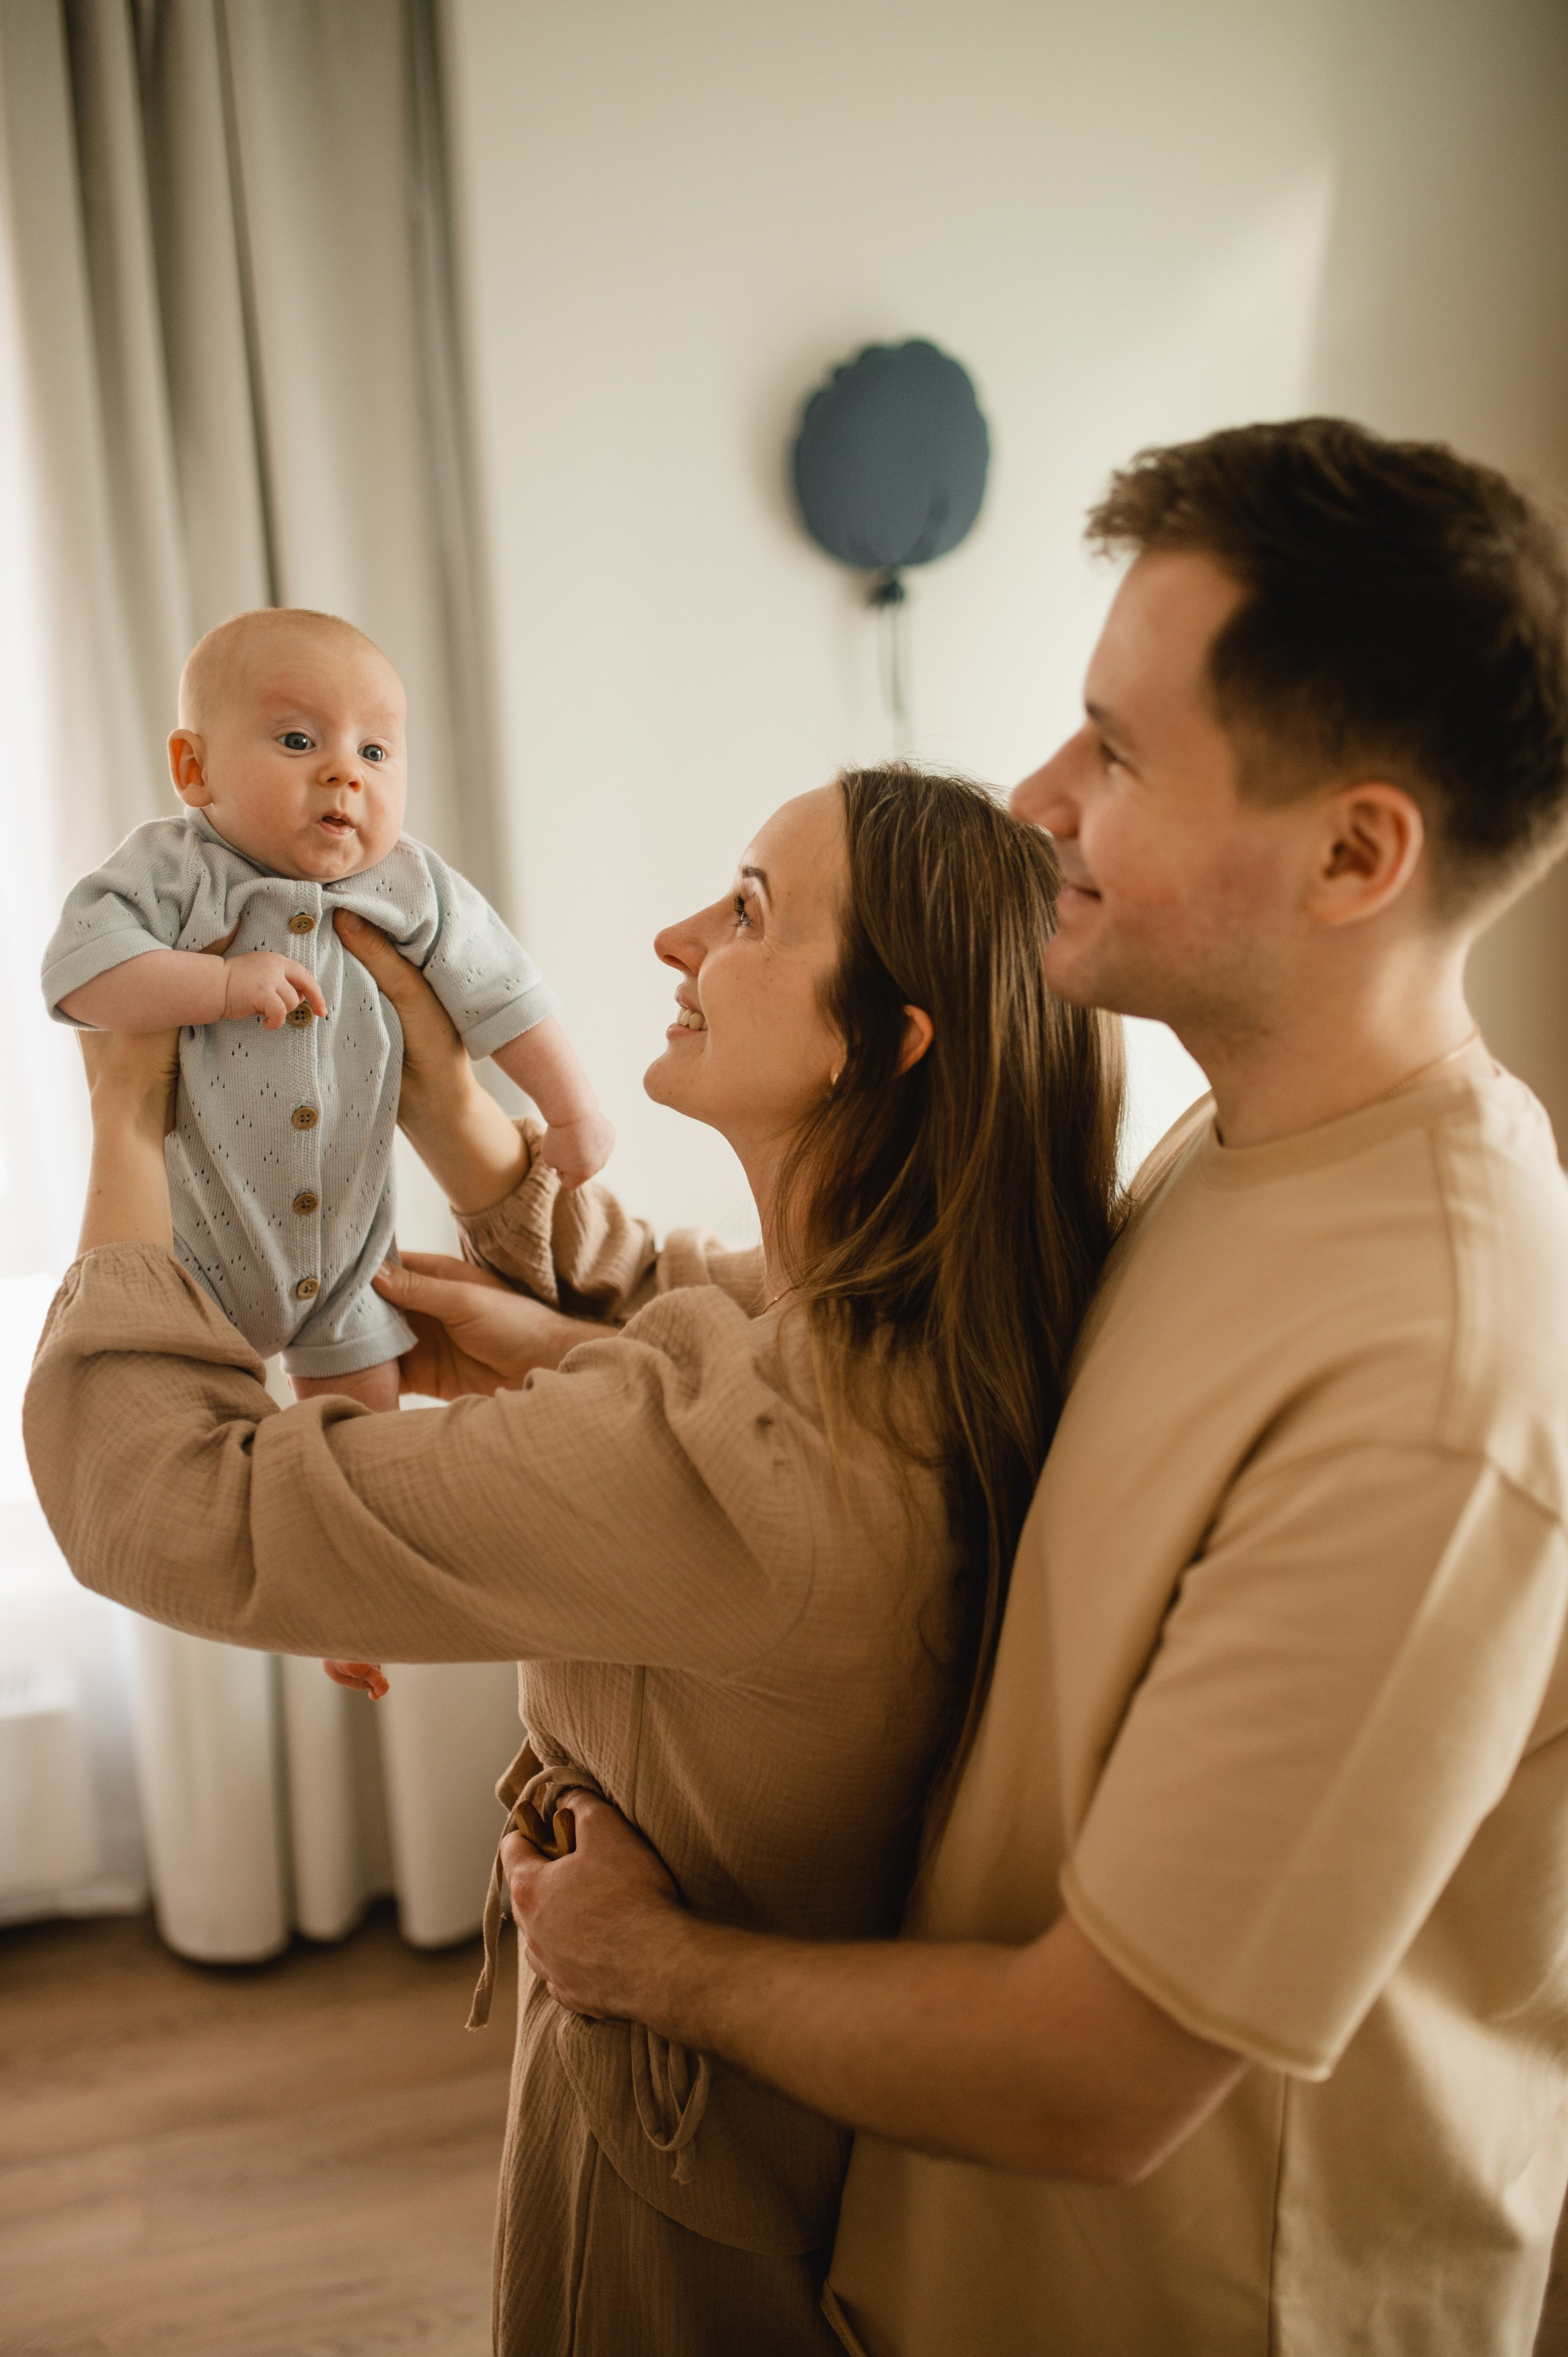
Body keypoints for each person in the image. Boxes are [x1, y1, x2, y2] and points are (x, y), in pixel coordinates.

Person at [496, 420, 1568, 2357]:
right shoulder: (1234, 1148)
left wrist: (665, 1968)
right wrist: (564, 1321)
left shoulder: (1440, 1375)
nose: (1037, 794)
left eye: (1120, 756)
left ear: (1356, 853)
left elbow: (1104, 2077)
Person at [24, 767, 1123, 2357]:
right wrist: (457, 1116)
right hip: (760, 2143)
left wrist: (131, 1122)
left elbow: (160, 1497)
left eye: (746, 911)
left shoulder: (755, 1463)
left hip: (688, 2183)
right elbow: (686, 1307)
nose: (677, 939)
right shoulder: (926, 1326)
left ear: (887, 1042)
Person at [42, 606, 611, 1423]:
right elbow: (81, 976)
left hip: (348, 1260)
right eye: (300, 742)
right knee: (184, 1430)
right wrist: (222, 989)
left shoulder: (414, 886)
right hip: (195, 1248)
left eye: (375, 752)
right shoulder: (175, 869)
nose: (347, 774)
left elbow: (509, 994)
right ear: (194, 768)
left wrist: (571, 1108)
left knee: (360, 1459)